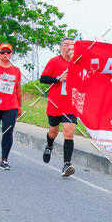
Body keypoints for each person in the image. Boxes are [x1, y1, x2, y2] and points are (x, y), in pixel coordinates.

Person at [40, 37, 77, 178]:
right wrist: (57, 79)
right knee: (53, 132)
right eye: (66, 45)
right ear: (61, 47)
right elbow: (43, 79)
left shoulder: (78, 62)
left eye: (72, 46)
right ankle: (49, 146)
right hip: (55, 103)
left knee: (69, 132)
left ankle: (66, 164)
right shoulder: (54, 61)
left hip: (70, 104)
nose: (69, 48)